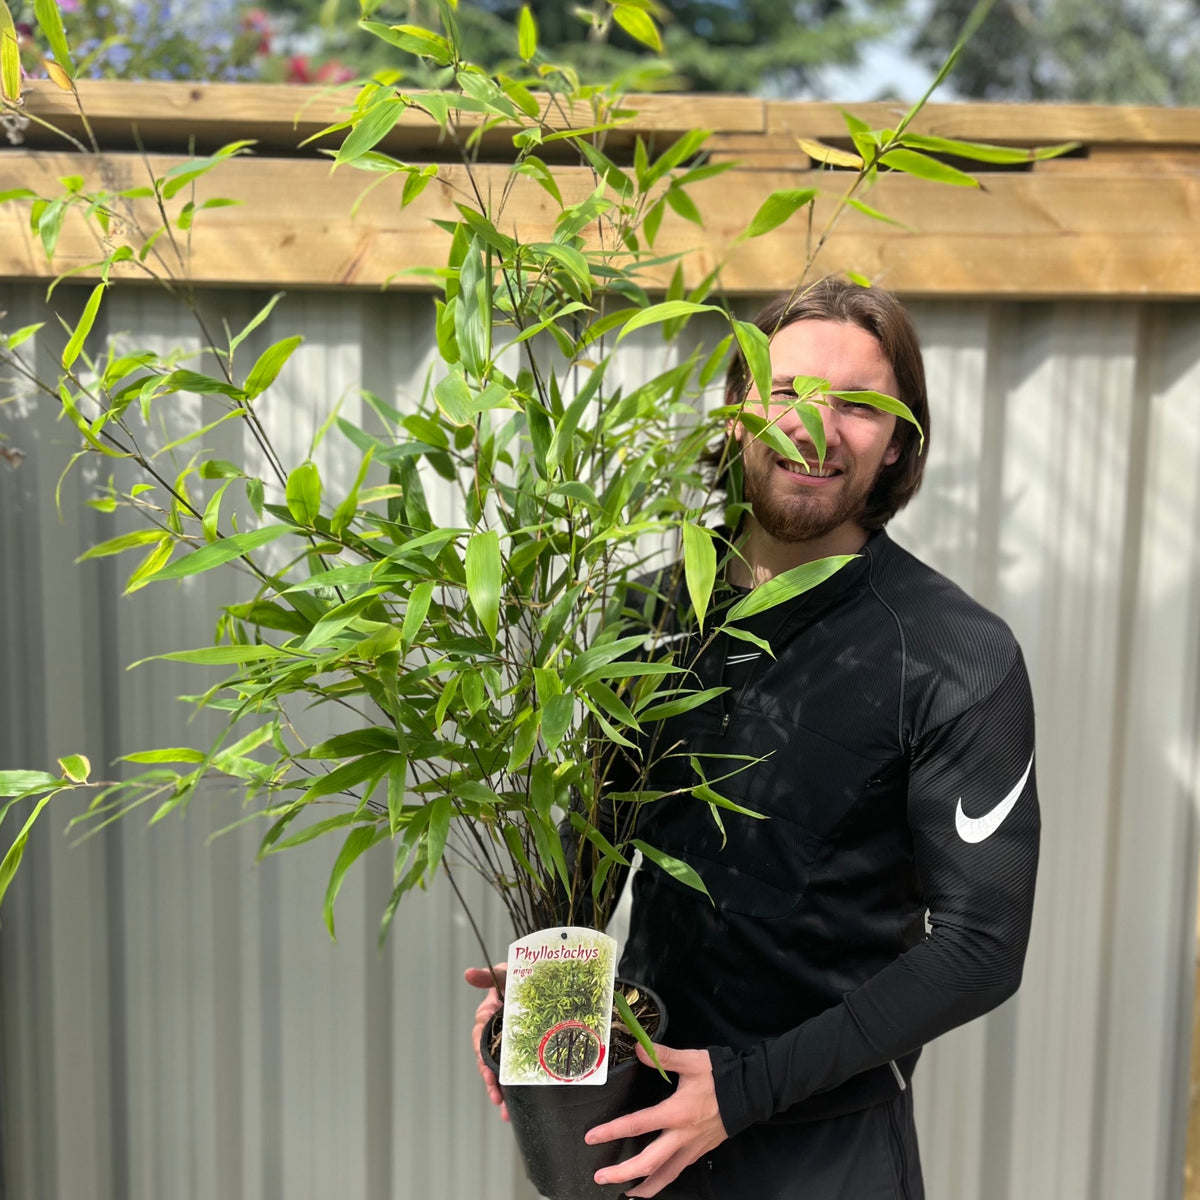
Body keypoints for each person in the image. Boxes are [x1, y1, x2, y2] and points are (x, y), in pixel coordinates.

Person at [467, 276, 1040, 1199]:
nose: (815, 426)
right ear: (735, 412)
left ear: (899, 442)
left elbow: (980, 947)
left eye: (859, 404)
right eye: (786, 391)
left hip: (826, 1151)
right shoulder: (652, 613)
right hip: (638, 1129)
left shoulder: (954, 656)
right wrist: (547, 980)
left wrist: (741, 1093)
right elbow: (598, 847)